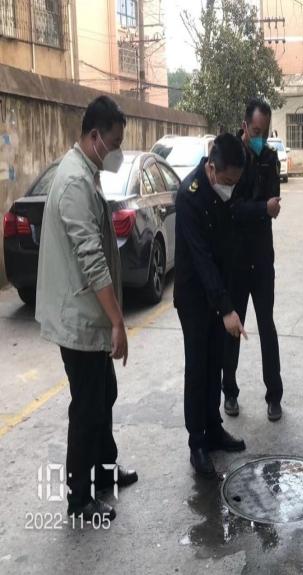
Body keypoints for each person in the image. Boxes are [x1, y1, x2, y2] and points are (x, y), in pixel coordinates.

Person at [36, 95, 137, 522]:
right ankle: (80, 498)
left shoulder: (85, 171)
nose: (116, 151)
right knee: (88, 406)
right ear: (94, 136)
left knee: (104, 394)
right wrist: (118, 321)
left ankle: (105, 472)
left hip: (86, 313)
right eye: (113, 143)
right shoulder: (75, 182)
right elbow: (92, 259)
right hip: (79, 318)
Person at [174, 133, 248, 478]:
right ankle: (197, 443)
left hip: (219, 292)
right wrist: (226, 309)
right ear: (213, 169)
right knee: (197, 368)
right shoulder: (189, 196)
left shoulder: (224, 187)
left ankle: (214, 428)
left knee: (216, 362)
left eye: (236, 182)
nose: (231, 188)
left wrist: (229, 298)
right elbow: (201, 258)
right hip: (194, 298)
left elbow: (228, 247)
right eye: (229, 181)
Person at [221, 98, 284, 422]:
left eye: (265, 132)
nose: (260, 137)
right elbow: (232, 208)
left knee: (267, 327)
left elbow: (272, 200)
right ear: (245, 126)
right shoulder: (231, 156)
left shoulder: (269, 159)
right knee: (233, 328)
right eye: (256, 131)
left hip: (261, 259)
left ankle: (274, 396)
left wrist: (259, 208)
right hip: (236, 259)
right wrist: (261, 208)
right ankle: (229, 391)